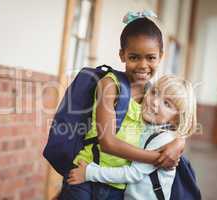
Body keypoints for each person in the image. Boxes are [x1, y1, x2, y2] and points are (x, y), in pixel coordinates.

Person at [58, 11, 186, 200]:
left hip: (120, 185)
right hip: (87, 174)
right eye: (134, 57)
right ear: (122, 55)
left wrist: (178, 142)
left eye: (151, 58)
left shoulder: (154, 95)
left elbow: (171, 123)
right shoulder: (111, 85)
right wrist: (159, 159)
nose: (143, 65)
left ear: (161, 56)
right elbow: (108, 142)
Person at [67, 75, 197, 200]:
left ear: (176, 119)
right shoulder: (148, 125)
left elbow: (133, 173)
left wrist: (89, 173)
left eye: (167, 103)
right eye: (154, 92)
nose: (155, 102)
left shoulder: (164, 140)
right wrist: (180, 141)